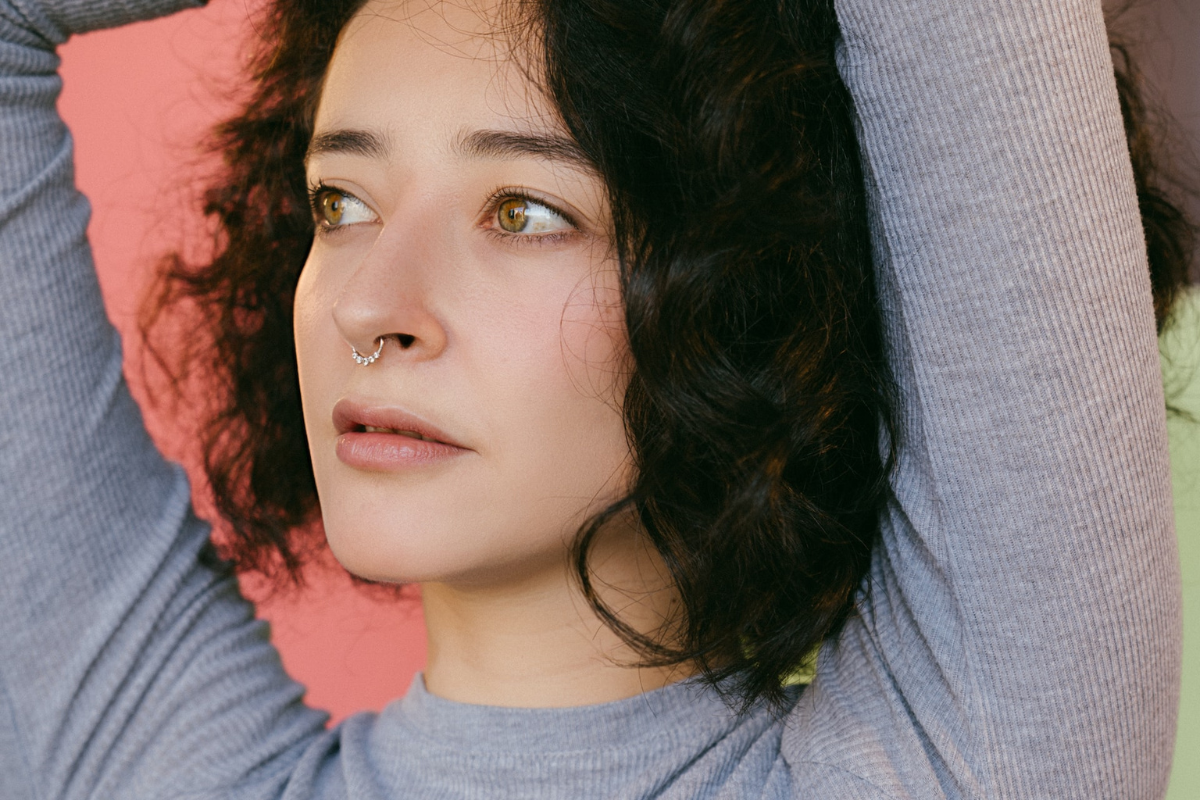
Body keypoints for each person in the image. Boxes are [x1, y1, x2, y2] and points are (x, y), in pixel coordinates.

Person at [0, 0, 1189, 797]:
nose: (372, 303)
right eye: (339, 203)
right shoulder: (147, 760)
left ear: (752, 295)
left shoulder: (967, 761)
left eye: (523, 211)